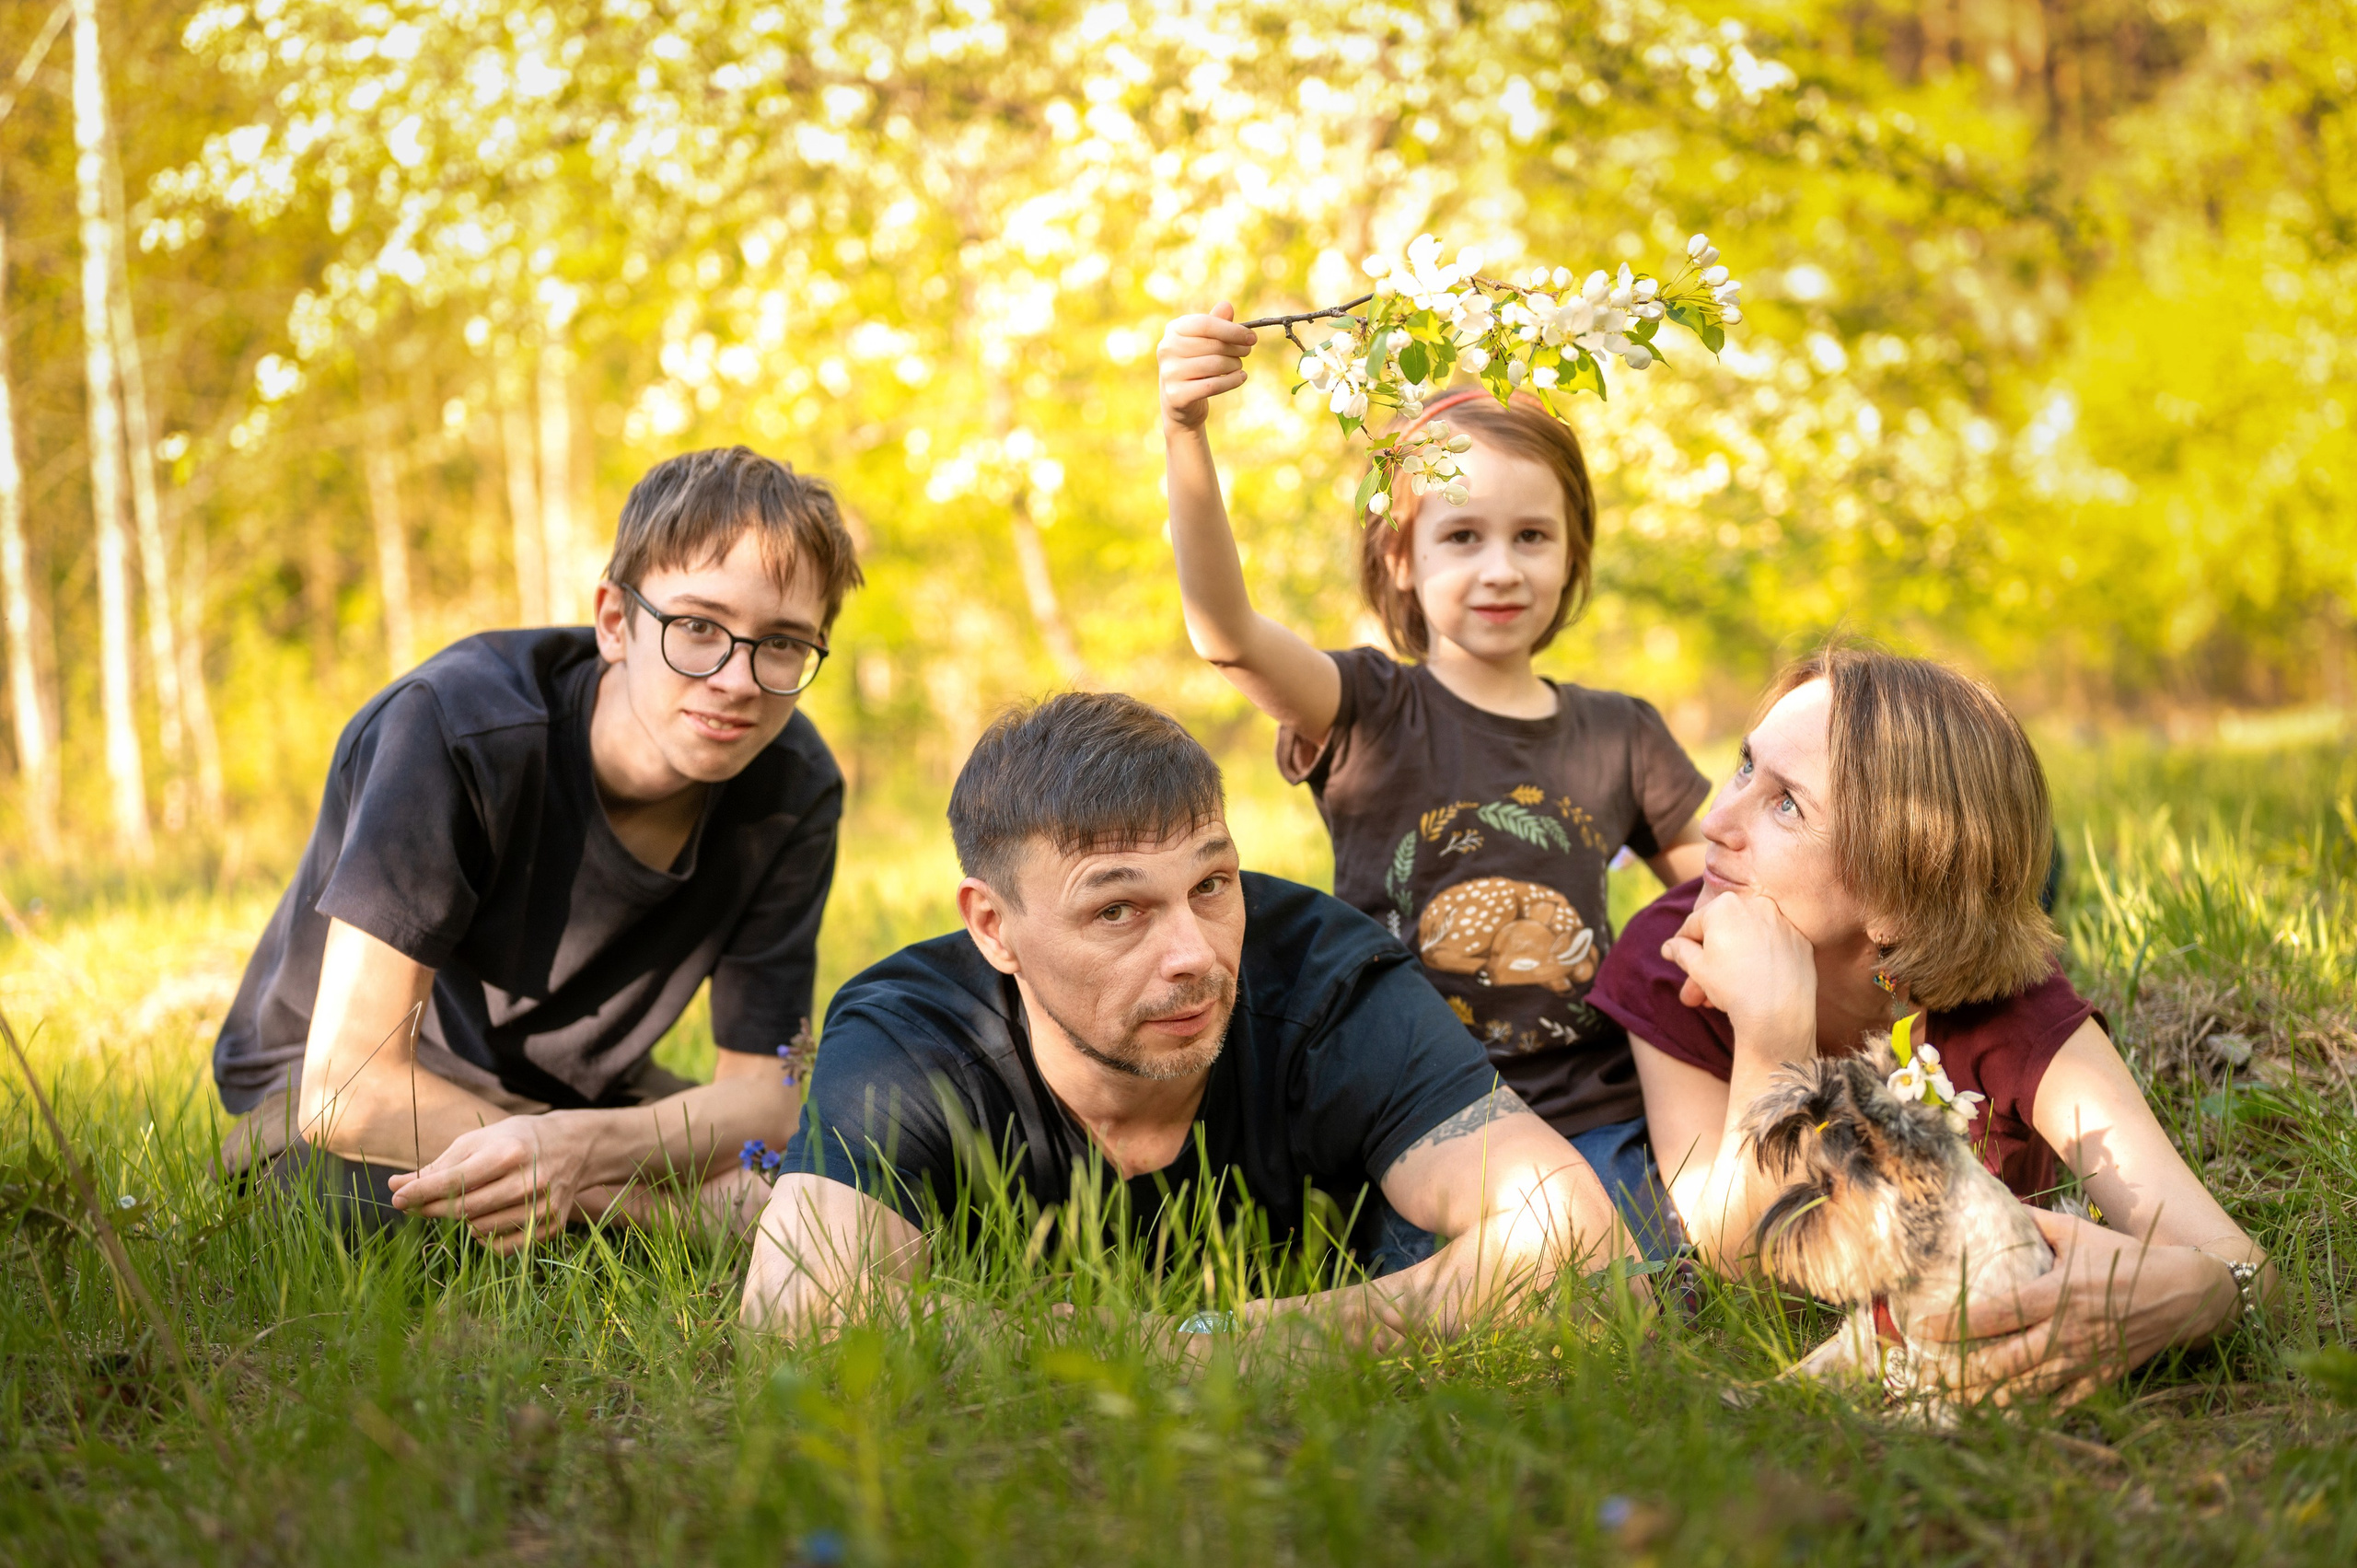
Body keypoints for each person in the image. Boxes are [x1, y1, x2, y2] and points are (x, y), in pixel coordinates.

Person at [737, 692, 1642, 1346]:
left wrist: (1228, 1340)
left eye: (1212, 884)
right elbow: (795, 1314)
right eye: (1117, 910)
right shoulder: (913, 1035)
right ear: (993, 925)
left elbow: (1574, 1233)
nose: (1195, 954)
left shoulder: (1324, 979)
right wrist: (1102, 1350)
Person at [1155, 308, 1711, 1254]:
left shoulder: (1622, 734)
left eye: (1532, 535)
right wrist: (1184, 432)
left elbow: (1722, 894)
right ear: (1400, 558)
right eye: (1462, 537)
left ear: (1573, 547)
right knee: (1494, 1295)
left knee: (1644, 1276)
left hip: (1598, 1115)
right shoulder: (1368, 708)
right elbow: (1226, 634)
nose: (1502, 569)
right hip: (1423, 1118)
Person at [213, 446, 862, 1249]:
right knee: (366, 1214)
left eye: (784, 643)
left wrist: (571, 1146)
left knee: (840, 1175)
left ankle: (616, 1210)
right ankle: (657, 1226)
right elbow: (348, 1090)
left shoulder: (793, 785)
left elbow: (765, 1098)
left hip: (580, 1103)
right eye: (698, 627)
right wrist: (622, 1188)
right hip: (344, 1099)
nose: (737, 678)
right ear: (616, 621)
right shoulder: (454, 728)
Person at [1589, 645, 2275, 1400]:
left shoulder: (2013, 1014)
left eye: (1787, 803)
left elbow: (2241, 1265)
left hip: (1947, 914)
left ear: (1894, 892)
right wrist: (1772, 1036)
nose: (1716, 821)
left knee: (2025, 881)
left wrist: (2206, 1293)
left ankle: (2032, 876)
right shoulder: (1671, 958)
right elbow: (1742, 1270)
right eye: (1746, 766)